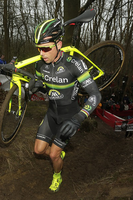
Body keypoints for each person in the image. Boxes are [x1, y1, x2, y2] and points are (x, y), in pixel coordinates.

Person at [33, 19, 101, 192]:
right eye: (38, 48)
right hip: (51, 113)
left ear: (59, 44)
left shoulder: (74, 64)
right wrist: (34, 85)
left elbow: (95, 95)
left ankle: (57, 175)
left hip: (70, 116)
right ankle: (58, 154)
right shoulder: (40, 64)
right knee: (39, 151)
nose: (42, 53)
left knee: (54, 154)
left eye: (46, 48)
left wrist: (78, 119)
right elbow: (40, 83)